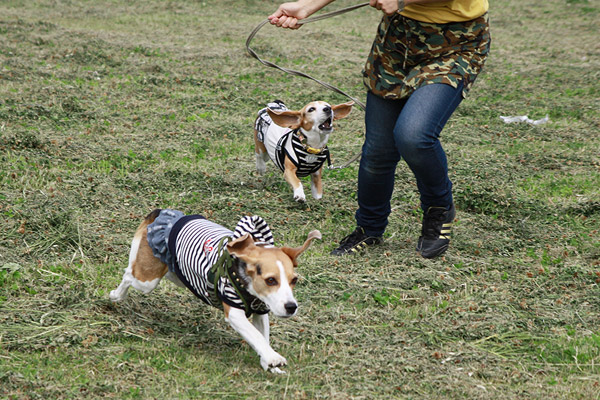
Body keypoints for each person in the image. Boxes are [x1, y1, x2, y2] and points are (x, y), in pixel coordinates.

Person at [268, 0, 491, 258]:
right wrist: (307, 6)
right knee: (378, 149)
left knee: (413, 136)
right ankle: (370, 227)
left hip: (454, 41)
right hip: (398, 39)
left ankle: (438, 208)